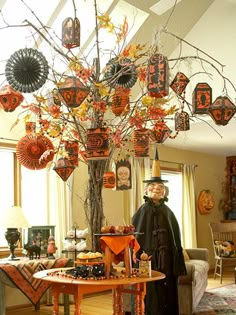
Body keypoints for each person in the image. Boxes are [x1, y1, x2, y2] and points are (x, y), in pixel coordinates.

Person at [132, 148, 186, 315]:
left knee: (168, 291)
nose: (157, 189)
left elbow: (175, 238)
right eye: (153, 186)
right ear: (147, 191)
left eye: (161, 187)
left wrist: (175, 257)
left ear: (165, 192)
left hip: (167, 261)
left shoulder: (168, 212)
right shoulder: (142, 212)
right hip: (148, 260)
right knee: (150, 293)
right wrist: (140, 256)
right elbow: (136, 237)